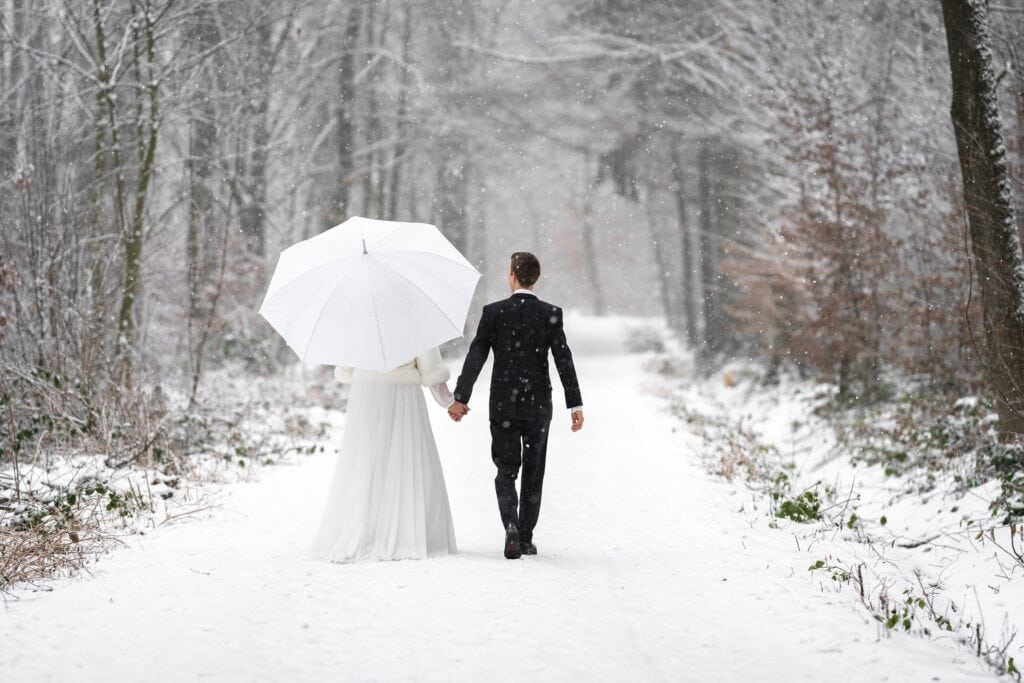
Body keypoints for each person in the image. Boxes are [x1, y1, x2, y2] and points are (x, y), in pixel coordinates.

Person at [448, 252, 584, 559]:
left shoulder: (494, 313)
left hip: (503, 405)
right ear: (536, 278)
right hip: (538, 406)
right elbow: (563, 359)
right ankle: (525, 537)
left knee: (506, 469)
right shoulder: (550, 314)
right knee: (534, 472)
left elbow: (476, 355)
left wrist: (461, 397)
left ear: (512, 276)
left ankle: (510, 524)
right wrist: (574, 403)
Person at [310, 347, 457, 563]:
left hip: (367, 394)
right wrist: (450, 401)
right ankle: (404, 532)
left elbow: (345, 369)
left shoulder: (360, 326)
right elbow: (431, 370)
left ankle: (366, 528)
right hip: (402, 395)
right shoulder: (415, 326)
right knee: (403, 458)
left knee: (367, 460)